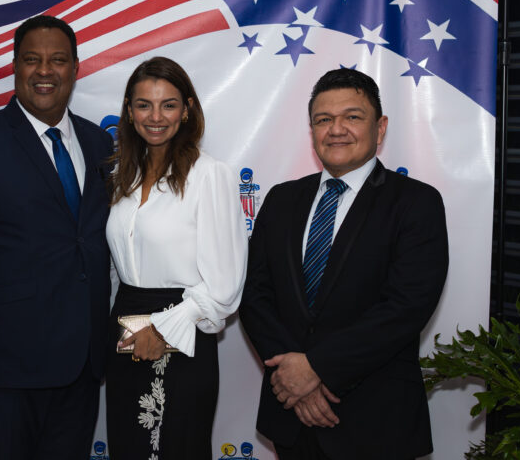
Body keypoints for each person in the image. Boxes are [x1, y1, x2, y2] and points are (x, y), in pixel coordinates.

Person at [239, 68, 449, 460]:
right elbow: (253, 293)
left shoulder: (416, 203)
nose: (336, 130)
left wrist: (316, 369)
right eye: (323, 119)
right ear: (312, 130)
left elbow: (406, 306)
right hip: (291, 416)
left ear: (380, 128)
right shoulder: (281, 200)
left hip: (375, 421)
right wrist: (293, 376)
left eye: (352, 117)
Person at [0, 15, 114, 459]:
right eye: (32, 60)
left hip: (82, 367)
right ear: (15, 67)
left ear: (76, 68)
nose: (45, 71)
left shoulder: (100, 144)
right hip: (2, 373)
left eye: (58, 60)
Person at [105, 57, 246, 460]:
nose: (156, 117)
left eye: (168, 105)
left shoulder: (209, 175)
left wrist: (163, 328)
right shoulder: (122, 175)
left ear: (187, 110)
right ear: (129, 112)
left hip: (181, 337)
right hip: (124, 335)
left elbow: (225, 284)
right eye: (144, 105)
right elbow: (116, 268)